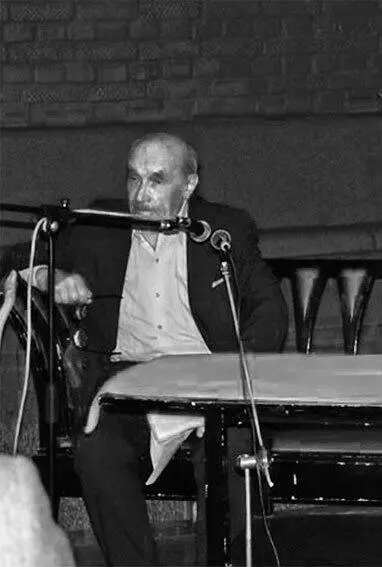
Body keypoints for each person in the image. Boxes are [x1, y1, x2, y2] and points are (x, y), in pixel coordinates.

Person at [16, 132, 288, 565]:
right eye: (134, 179)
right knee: (97, 448)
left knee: (231, 452)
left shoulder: (222, 230)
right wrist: (52, 276)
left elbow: (270, 311)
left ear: (189, 184)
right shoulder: (101, 227)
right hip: (132, 385)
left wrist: (234, 379)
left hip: (208, 384)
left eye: (157, 180)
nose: (141, 195)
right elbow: (15, 256)